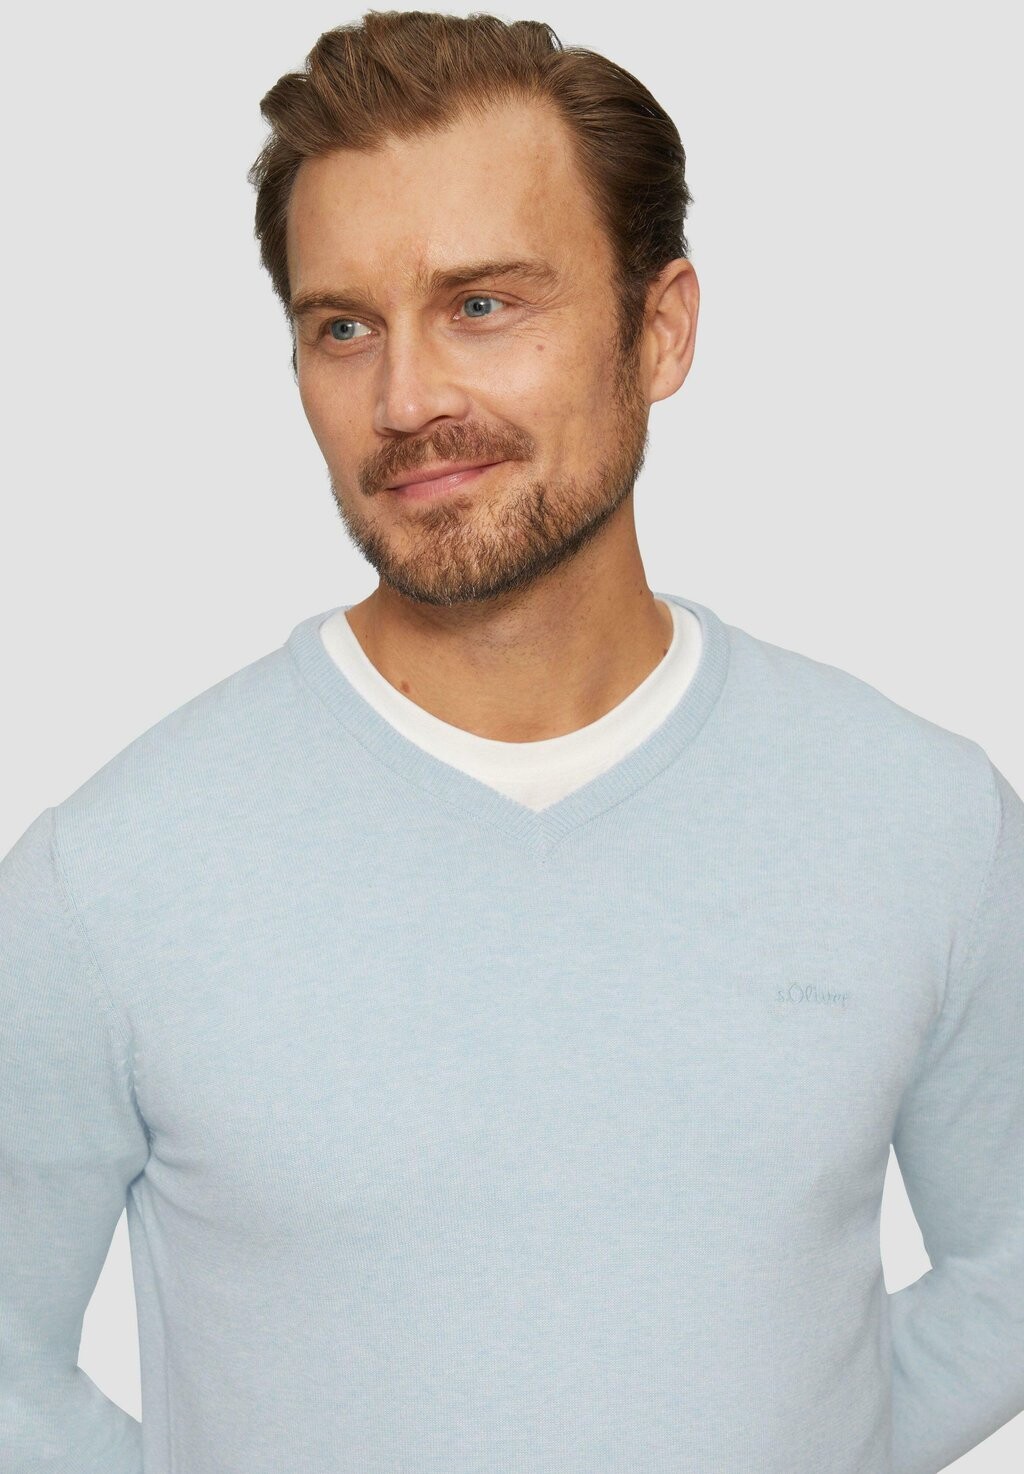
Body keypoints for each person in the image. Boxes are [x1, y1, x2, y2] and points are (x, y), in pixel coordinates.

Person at [1, 11, 1021, 1474]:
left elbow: (1009, 1272)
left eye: (481, 304)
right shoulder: (108, 879)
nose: (406, 399)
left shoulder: (922, 818)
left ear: (659, 330)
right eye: (343, 326)